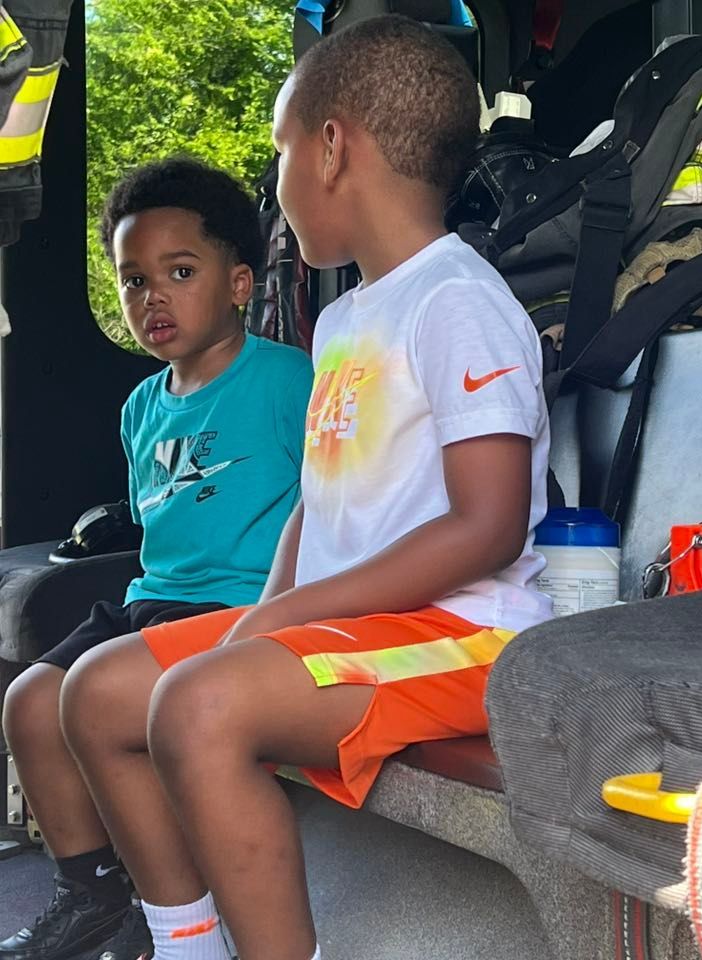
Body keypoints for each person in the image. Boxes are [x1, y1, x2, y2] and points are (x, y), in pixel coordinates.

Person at [59, 16, 553, 960]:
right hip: (346, 622)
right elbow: (317, 503)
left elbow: (487, 527)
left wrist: (291, 617)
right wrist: (275, 605)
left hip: (467, 636)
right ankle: (189, 943)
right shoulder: (346, 318)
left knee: (200, 705)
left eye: (281, 152)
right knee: (97, 692)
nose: (277, 188)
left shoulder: (458, 301)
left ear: (331, 149)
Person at [0, 157, 312, 960]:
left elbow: (330, 501)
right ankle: (95, 895)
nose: (153, 298)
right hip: (153, 600)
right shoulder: (142, 405)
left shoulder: (286, 381)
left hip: (242, 606)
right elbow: (154, 527)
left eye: (180, 271)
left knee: (94, 699)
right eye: (133, 280)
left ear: (240, 283)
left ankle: (179, 911)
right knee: (30, 704)